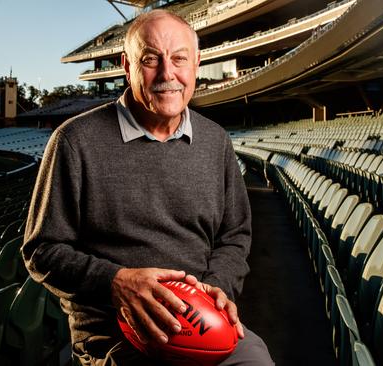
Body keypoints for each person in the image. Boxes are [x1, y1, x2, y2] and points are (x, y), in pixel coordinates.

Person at [22, 9, 273, 365]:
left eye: (179, 59)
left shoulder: (215, 141)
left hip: (200, 326)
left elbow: (234, 235)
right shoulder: (75, 141)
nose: (167, 74)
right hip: (116, 335)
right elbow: (41, 249)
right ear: (127, 65)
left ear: (197, 64)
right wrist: (116, 282)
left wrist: (218, 286)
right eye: (151, 59)